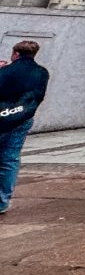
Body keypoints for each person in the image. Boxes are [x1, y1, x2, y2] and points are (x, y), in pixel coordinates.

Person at [0, 41, 48, 215]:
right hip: (22, 120)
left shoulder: (5, 72)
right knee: (10, 159)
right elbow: (37, 97)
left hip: (1, 119)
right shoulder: (42, 73)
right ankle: (2, 201)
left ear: (15, 54)